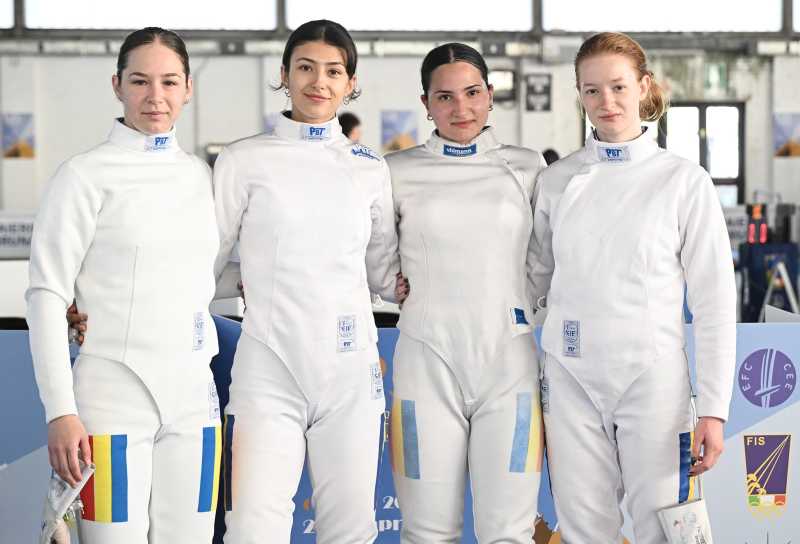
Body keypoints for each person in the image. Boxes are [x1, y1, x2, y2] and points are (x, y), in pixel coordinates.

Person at [530, 32, 736, 543]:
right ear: (579, 95)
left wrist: (714, 408)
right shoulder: (557, 180)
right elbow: (532, 279)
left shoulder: (683, 181)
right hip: (570, 377)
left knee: (665, 527)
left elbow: (714, 302)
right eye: (592, 90)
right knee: (583, 529)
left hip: (653, 378)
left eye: (618, 87)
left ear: (643, 86)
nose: (606, 102)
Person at [27, 27, 222, 543]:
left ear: (188, 88)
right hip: (110, 402)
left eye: (169, 82)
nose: (155, 96)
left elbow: (210, 278)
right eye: (140, 81)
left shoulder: (201, 177)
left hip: (195, 404)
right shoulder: (83, 176)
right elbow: (46, 296)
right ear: (117, 85)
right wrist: (61, 411)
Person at [212, 20, 399, 544]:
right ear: (285, 74)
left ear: (350, 83)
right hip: (268, 368)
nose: (319, 82)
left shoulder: (369, 167)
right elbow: (207, 263)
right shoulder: (243, 159)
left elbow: (384, 274)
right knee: (252, 528)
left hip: (350, 372)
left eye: (333, 72)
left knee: (351, 529)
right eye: (306, 68)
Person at [387, 43, 547, 543]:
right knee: (426, 532)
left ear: (490, 95)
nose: (461, 108)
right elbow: (373, 253)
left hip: (510, 365)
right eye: (445, 97)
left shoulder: (527, 166)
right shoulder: (396, 171)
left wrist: (521, 306)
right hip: (424, 364)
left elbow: (544, 259)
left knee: (510, 532)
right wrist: (388, 283)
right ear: (426, 103)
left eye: (473, 93)